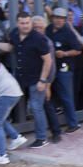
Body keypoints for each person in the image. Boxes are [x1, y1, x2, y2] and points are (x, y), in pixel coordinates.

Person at [9, 14, 53, 147]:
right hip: (21, 77)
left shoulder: (38, 38)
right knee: (11, 100)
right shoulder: (14, 34)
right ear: (17, 23)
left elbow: (48, 60)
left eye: (27, 23)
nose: (25, 25)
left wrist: (43, 80)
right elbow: (11, 48)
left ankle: (42, 138)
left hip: (36, 79)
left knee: (36, 107)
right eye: (22, 23)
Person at [48, 7, 83, 133]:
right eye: (56, 17)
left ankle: (73, 123)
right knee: (52, 96)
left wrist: (64, 54)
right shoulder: (48, 29)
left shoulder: (68, 32)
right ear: (52, 18)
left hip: (64, 67)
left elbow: (78, 50)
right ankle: (54, 124)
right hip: (50, 68)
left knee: (66, 96)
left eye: (61, 18)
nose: (58, 20)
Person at [29, 16, 62, 144]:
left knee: (47, 105)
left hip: (44, 80)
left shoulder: (46, 42)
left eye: (40, 27)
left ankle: (56, 132)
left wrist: (48, 84)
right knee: (42, 106)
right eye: (35, 27)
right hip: (34, 79)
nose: (38, 30)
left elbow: (51, 66)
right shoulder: (30, 40)